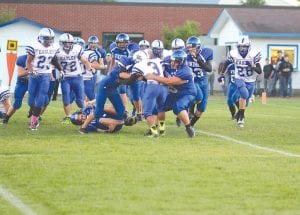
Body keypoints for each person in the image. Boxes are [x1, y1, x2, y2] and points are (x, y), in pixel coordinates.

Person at [79, 55, 141, 134]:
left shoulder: (131, 68)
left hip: (112, 89)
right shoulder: (123, 66)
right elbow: (122, 75)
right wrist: (138, 76)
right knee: (98, 112)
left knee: (121, 111)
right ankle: (83, 128)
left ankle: (124, 120)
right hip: (104, 87)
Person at [145, 50, 197, 138]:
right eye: (173, 60)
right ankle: (157, 129)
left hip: (187, 93)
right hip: (174, 93)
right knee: (157, 108)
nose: (173, 63)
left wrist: (153, 77)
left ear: (182, 62)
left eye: (176, 61)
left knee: (178, 107)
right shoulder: (166, 62)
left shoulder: (185, 70)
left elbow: (169, 81)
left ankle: (188, 128)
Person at [26, 27, 63, 130]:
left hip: (45, 75)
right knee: (30, 100)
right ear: (40, 38)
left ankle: (34, 122)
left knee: (41, 98)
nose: (49, 41)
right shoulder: (34, 46)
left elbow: (54, 60)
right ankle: (33, 112)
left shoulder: (54, 47)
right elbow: (28, 61)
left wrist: (61, 70)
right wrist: (31, 71)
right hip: (34, 75)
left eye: (51, 39)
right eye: (47, 39)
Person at [220, 36, 262, 128]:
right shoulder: (234, 54)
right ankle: (241, 118)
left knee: (245, 101)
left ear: (249, 47)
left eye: (245, 47)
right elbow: (226, 63)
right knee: (244, 93)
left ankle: (240, 113)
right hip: (239, 78)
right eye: (240, 46)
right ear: (237, 47)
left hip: (251, 80)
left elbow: (259, 71)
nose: (242, 48)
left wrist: (252, 67)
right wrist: (222, 74)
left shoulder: (253, 54)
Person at [56, 33, 93, 124]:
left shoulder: (77, 48)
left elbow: (84, 60)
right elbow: (52, 62)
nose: (68, 45)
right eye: (66, 43)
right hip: (65, 77)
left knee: (80, 101)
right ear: (61, 43)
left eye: (70, 43)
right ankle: (68, 117)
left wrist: (90, 67)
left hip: (77, 76)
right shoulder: (56, 50)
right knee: (66, 98)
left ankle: (89, 113)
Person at [132, 43, 168, 138]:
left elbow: (136, 77)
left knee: (147, 112)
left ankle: (154, 132)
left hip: (152, 86)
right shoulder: (160, 61)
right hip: (163, 86)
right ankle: (162, 129)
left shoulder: (140, 64)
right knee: (161, 109)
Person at [185, 36, 213, 128]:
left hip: (203, 80)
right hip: (192, 81)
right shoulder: (185, 55)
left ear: (198, 47)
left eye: (193, 47)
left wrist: (198, 59)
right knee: (198, 97)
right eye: (189, 47)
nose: (191, 49)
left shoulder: (206, 53)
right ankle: (190, 110)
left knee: (202, 107)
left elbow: (209, 69)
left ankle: (191, 125)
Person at [109, 33, 131, 114]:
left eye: (123, 42)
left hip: (124, 73)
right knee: (112, 90)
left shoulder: (128, 52)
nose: (121, 44)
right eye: (120, 42)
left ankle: (126, 109)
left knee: (122, 90)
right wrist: (110, 71)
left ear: (126, 43)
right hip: (115, 72)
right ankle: (114, 106)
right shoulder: (114, 50)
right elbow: (113, 61)